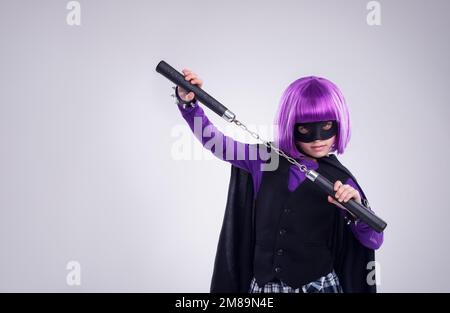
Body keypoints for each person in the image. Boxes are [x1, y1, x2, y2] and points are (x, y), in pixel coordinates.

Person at [173, 68, 384, 293]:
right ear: (290, 124)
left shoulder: (341, 179)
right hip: (265, 288)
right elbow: (215, 143)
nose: (318, 139)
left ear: (339, 123)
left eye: (326, 127)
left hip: (319, 286)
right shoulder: (264, 160)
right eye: (305, 128)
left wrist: (357, 211)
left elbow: (373, 240)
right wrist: (189, 105)